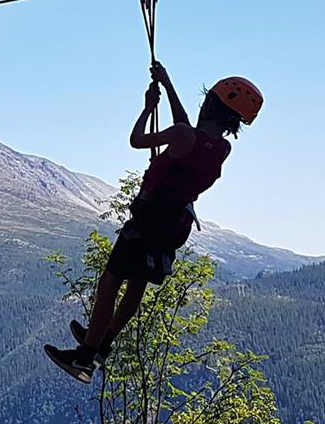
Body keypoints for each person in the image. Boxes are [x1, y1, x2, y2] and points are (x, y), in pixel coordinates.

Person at [44, 61, 263, 383]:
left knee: (110, 283)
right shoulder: (220, 148)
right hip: (173, 228)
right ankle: (103, 343)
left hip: (147, 220)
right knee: (137, 284)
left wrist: (148, 108)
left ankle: (85, 357)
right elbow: (187, 130)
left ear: (211, 104)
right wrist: (168, 83)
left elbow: (137, 139)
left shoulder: (182, 136)